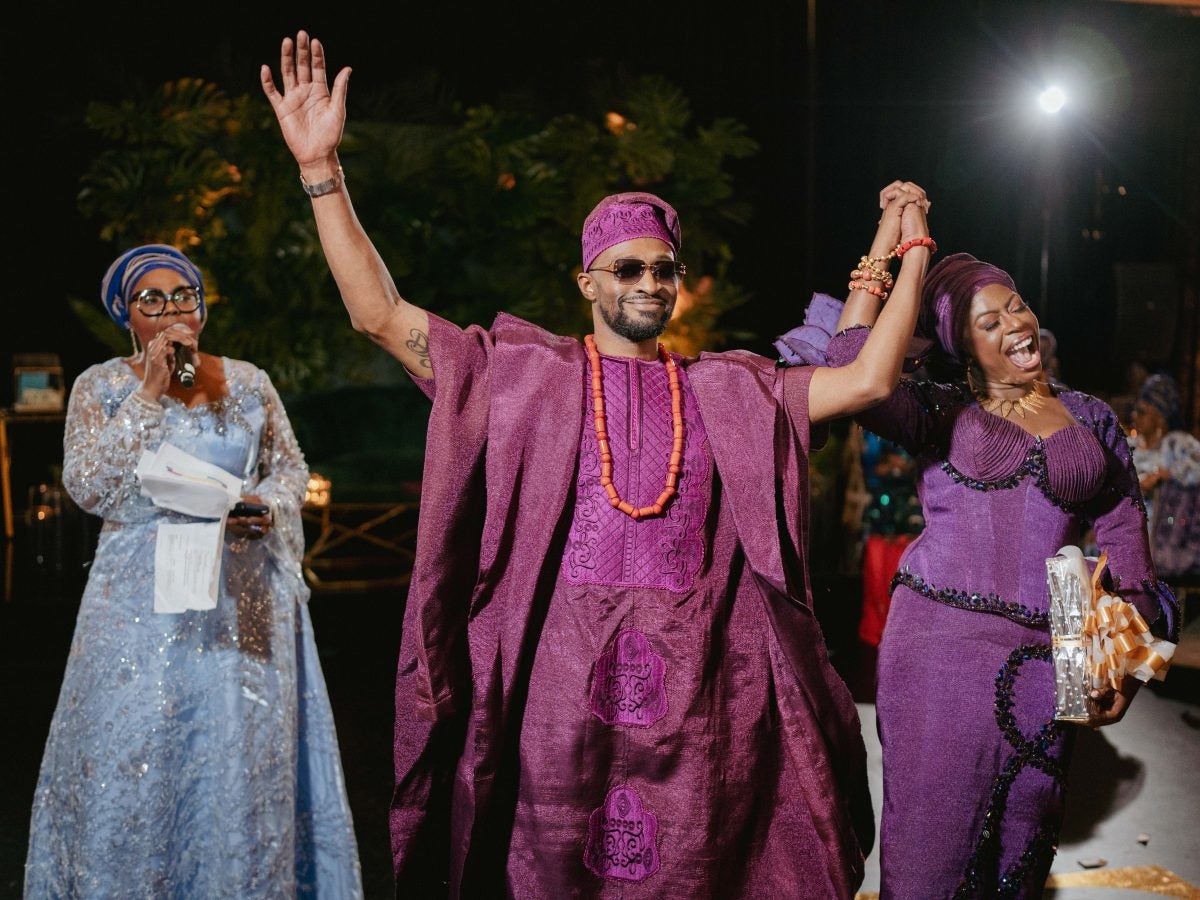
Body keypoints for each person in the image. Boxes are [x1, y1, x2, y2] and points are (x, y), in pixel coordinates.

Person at [261, 31, 934, 898]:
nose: (649, 282)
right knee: (543, 871)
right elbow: (379, 315)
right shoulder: (524, 377)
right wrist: (321, 170)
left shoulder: (728, 389)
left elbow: (869, 377)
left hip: (699, 705)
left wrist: (909, 247)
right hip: (556, 697)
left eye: (664, 268)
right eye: (627, 268)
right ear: (587, 282)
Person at [802, 252, 1178, 897]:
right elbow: (849, 358)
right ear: (963, 347)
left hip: (1049, 659)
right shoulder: (935, 408)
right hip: (939, 654)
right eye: (989, 321)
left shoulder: (1090, 417)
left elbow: (1130, 555)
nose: (1016, 324)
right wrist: (901, 245)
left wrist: (1129, 668)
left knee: (1023, 853)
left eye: (1017, 306)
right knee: (929, 857)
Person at [24, 245, 362, 897]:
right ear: (125, 314)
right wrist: (151, 388)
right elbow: (88, 486)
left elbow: (290, 469)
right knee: (142, 750)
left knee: (236, 751)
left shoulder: (249, 381)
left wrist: (267, 506)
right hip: (140, 603)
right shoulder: (101, 386)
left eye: (184, 295)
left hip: (241, 594)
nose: (172, 309)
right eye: (151, 299)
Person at [1130, 373, 1200, 578]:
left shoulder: (1176, 444)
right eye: (1135, 410)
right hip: (1131, 535)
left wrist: (1164, 475)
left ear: (1160, 416)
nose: (1135, 416)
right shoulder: (1129, 446)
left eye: (1142, 411)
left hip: (1168, 541)